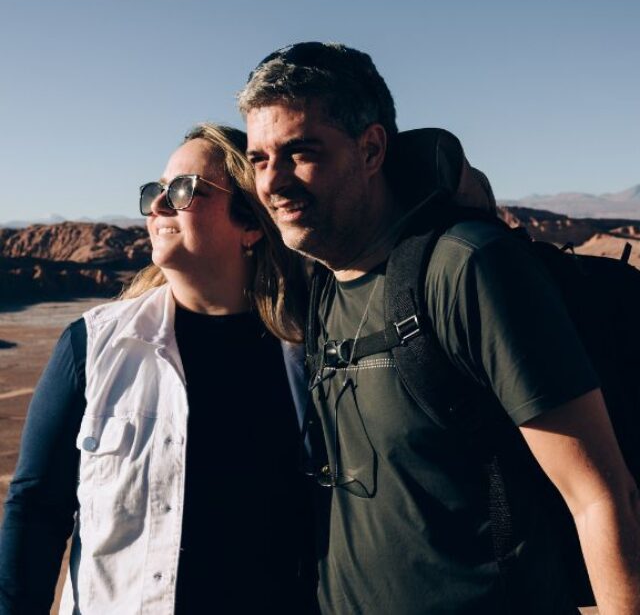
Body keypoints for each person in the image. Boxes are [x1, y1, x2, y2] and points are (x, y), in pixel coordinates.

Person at [238, 42, 640, 615]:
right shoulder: (325, 281)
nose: (273, 182)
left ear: (372, 148)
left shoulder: (466, 269)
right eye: (259, 159)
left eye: (301, 152)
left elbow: (603, 497)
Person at [0, 123, 313, 614]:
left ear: (250, 224)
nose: (159, 206)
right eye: (156, 192)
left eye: (185, 190)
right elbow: (36, 509)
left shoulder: (307, 352)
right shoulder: (95, 346)